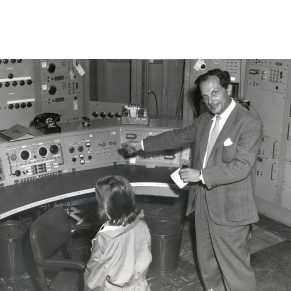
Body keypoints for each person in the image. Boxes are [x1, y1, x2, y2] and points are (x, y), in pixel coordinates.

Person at [121, 69, 263, 291]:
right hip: (203, 203)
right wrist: (141, 145)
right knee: (207, 263)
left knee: (235, 270)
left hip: (230, 209)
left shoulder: (248, 123)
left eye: (215, 93)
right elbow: (177, 135)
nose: (210, 101)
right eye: (205, 96)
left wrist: (202, 175)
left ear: (228, 90)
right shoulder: (205, 120)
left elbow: (241, 167)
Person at [84, 175, 152, 291]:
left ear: (105, 207)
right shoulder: (142, 225)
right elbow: (146, 254)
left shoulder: (105, 239)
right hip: (140, 286)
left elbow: (94, 278)